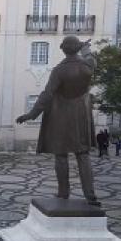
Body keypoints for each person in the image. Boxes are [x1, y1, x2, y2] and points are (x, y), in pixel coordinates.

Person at [16, 36, 100, 205]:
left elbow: (47, 95)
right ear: (77, 48)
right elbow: (90, 58)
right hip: (81, 114)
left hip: (62, 116)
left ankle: (63, 193)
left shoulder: (59, 70)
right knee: (83, 155)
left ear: (62, 49)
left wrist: (31, 115)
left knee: (61, 155)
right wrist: (86, 49)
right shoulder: (87, 66)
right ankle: (90, 195)